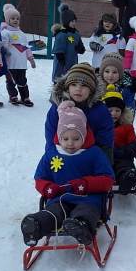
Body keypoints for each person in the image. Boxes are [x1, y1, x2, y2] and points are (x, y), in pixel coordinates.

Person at [21, 103, 115, 246]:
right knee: (53, 213)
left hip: (88, 199)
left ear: (84, 136)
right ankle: (36, 225)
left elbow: (107, 179)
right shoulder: (52, 154)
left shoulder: (94, 153)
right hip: (59, 199)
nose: (70, 143)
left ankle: (81, 227)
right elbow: (40, 178)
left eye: (76, 139)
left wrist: (86, 184)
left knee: (86, 212)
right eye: (65, 139)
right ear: (59, 137)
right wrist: (47, 188)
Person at [45, 62, 114, 162]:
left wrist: (102, 164)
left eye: (84, 85)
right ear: (67, 87)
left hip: (91, 158)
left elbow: (105, 141)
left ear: (91, 90)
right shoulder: (58, 108)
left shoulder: (100, 110)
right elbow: (50, 136)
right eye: (73, 85)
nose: (78, 89)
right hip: (61, 156)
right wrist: (51, 158)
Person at [102, 86, 136, 192]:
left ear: (122, 112)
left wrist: (124, 151)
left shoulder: (126, 127)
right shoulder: (99, 127)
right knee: (98, 164)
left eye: (117, 110)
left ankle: (127, 178)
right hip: (103, 158)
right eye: (110, 110)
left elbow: (135, 145)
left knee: (124, 165)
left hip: (120, 156)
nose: (114, 113)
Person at [1, 3, 37, 107]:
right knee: (11, 81)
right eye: (12, 18)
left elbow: (26, 47)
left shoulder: (22, 34)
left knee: (22, 81)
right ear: (7, 20)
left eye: (17, 18)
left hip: (21, 64)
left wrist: (31, 59)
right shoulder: (5, 32)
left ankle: (25, 97)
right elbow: (3, 45)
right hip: (10, 63)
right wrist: (5, 50)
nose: (15, 20)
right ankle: (13, 96)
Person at [51, 4, 85, 82]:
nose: (74, 23)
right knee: (60, 83)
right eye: (72, 21)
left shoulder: (76, 33)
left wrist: (80, 49)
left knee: (71, 82)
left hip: (73, 65)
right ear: (66, 21)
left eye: (75, 21)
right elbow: (58, 51)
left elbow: (81, 48)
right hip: (61, 66)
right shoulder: (62, 34)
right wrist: (62, 62)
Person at [99, 52, 136, 116]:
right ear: (102, 72)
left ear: (120, 74)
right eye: (107, 71)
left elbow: (130, 111)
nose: (110, 75)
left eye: (114, 72)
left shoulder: (126, 89)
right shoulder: (97, 88)